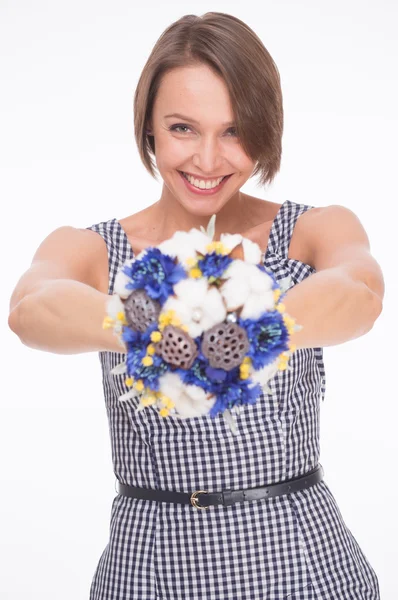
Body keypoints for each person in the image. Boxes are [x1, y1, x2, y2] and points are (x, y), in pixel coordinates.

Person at [8, 11, 384, 600]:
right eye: (183, 128)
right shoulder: (92, 247)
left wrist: (246, 331)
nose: (208, 160)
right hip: (150, 563)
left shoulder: (311, 228)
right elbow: (30, 307)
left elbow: (361, 293)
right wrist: (158, 329)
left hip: (300, 559)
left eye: (234, 131)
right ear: (148, 127)